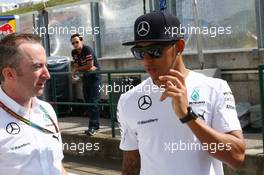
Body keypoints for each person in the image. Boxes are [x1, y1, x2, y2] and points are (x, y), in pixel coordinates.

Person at [117, 11, 245, 175]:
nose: (146, 60)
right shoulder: (129, 100)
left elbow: (236, 157)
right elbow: (130, 166)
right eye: (139, 53)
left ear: (179, 47)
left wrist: (187, 116)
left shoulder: (215, 88)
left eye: (155, 51)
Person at [0, 33, 67, 174]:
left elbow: (57, 164)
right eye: (37, 67)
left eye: (46, 65)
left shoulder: (47, 110)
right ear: (9, 74)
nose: (47, 75)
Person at [70, 33, 101, 136]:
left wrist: (77, 69)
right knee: (88, 102)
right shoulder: (74, 52)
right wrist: (79, 68)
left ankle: (93, 127)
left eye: (77, 42)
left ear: (81, 41)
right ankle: (93, 126)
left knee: (94, 102)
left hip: (95, 77)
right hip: (86, 77)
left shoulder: (87, 49)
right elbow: (77, 65)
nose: (75, 44)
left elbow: (90, 65)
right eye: (73, 43)